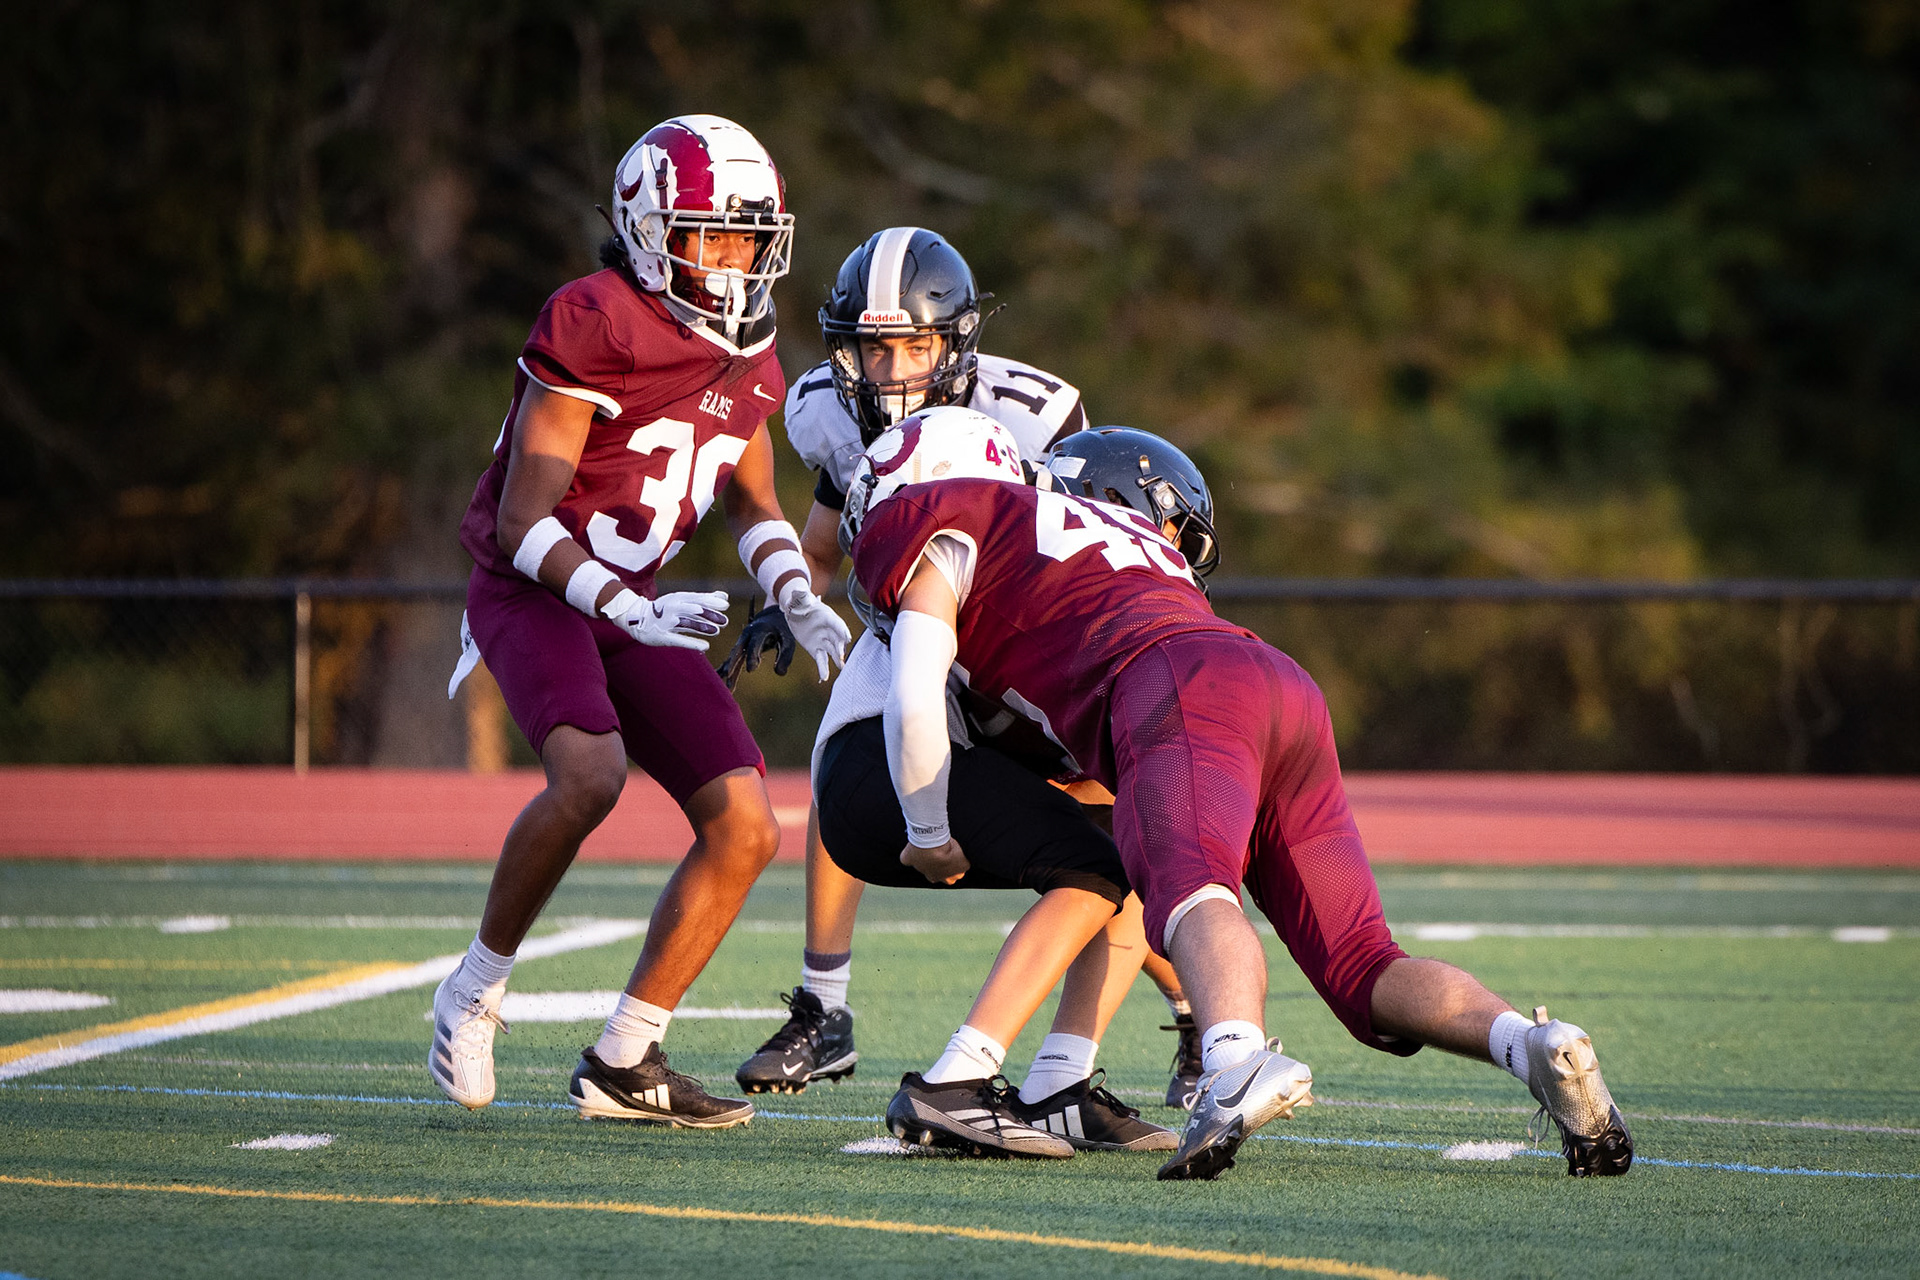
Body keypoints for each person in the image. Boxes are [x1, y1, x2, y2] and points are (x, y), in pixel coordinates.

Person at [841, 412, 1635, 1182]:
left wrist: (928, 826)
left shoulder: (947, 517)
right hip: (1275, 682)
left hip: (1174, 684)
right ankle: (1528, 1044)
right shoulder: (1135, 546)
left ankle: (1233, 1062)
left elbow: (915, 690)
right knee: (1363, 960)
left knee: (1192, 891)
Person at [433, 114, 849, 1130]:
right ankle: (476, 983)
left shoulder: (750, 351)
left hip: (638, 606)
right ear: (649, 223)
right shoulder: (596, 318)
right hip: (535, 583)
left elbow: (752, 504)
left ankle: (626, 1057)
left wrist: (797, 592)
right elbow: (524, 520)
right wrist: (629, 604)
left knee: (748, 825)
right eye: (710, 234)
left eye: (750, 238)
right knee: (591, 776)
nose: (735, 260)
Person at [727, 227, 1202, 1105]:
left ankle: (1195, 1016)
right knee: (856, 754)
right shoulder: (830, 410)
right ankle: (824, 1010)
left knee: (1098, 818)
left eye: (914, 345)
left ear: (957, 343)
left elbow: (1078, 539)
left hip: (1003, 628)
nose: (894, 368)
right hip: (907, 614)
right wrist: (789, 599)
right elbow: (825, 538)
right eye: (874, 347)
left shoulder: (1029, 416)